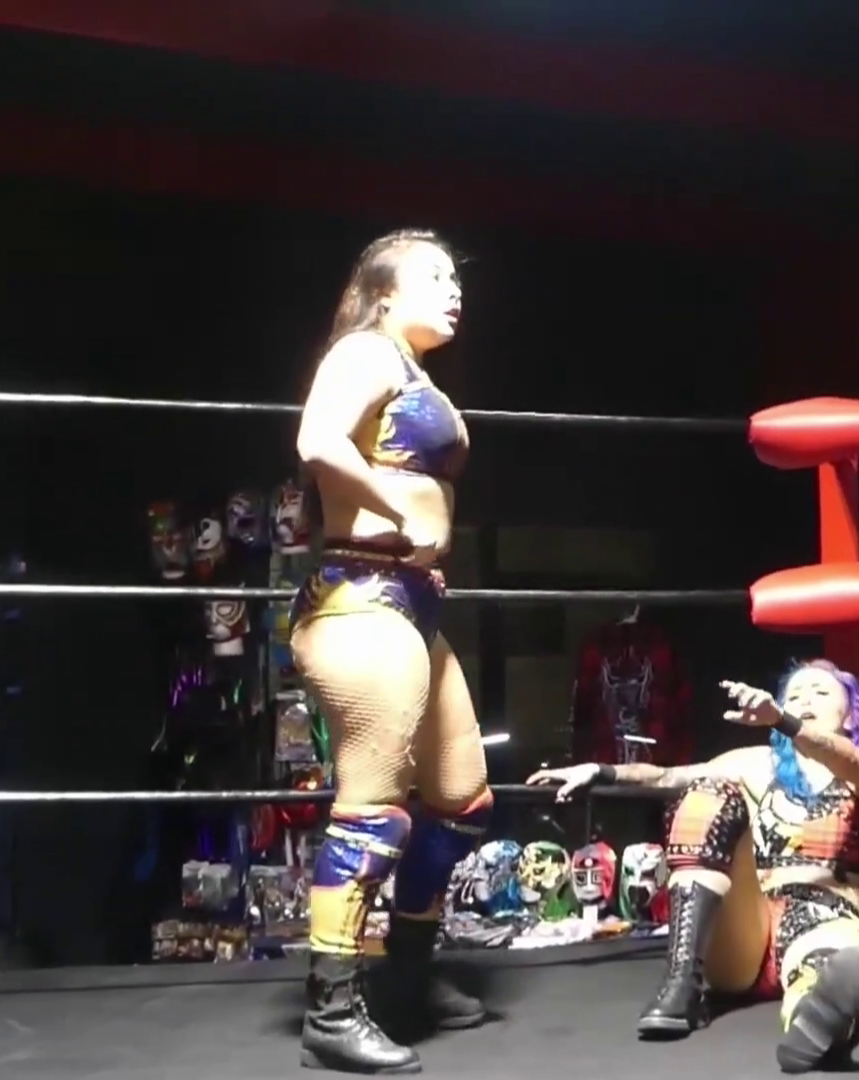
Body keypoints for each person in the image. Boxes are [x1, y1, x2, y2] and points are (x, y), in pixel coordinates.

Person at [290, 228, 493, 1075]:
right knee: (373, 807)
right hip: (360, 598)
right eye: (434, 276)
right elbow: (318, 441)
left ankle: (410, 968)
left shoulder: (410, 369)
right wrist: (398, 515)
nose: (454, 290)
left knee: (461, 798)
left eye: (457, 277)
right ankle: (330, 1011)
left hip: (408, 600)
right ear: (383, 293)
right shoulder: (364, 352)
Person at [529, 661, 859, 1074]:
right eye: (794, 696)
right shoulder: (756, 765)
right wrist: (601, 770)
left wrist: (785, 720)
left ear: (851, 715)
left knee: (834, 962)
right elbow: (666, 777)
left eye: (820, 692)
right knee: (707, 790)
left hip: (825, 917)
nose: (804, 701)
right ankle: (681, 983)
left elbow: (854, 761)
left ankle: (817, 1018)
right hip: (747, 934)